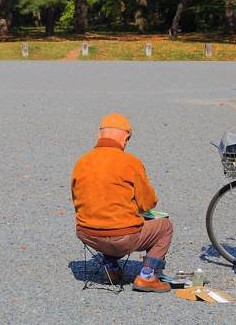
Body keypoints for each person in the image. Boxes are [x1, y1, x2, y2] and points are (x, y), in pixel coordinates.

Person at [71, 113, 173, 293]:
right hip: (122, 238)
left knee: (104, 215)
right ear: (126, 137)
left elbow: (77, 200)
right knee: (165, 226)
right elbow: (147, 204)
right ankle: (147, 276)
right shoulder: (130, 162)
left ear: (99, 135)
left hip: (87, 233)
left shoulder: (81, 162)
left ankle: (112, 269)